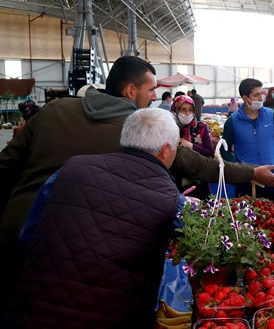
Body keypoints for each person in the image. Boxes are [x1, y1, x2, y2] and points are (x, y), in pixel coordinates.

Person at [0, 56, 274, 298]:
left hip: (16, 236)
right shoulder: (137, 130)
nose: (154, 96)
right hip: (81, 255)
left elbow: (7, 165)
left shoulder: (53, 109)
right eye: (150, 90)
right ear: (129, 91)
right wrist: (251, 172)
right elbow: (199, 165)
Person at [5, 108, 183, 328]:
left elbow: (27, 235)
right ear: (166, 150)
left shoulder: (71, 167)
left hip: (28, 313)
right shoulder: (171, 198)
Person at [221, 78, 274, 204]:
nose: (260, 98)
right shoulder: (233, 121)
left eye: (261, 94)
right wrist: (238, 167)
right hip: (246, 180)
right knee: (246, 219)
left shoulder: (272, 116)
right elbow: (224, 149)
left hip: (272, 177)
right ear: (245, 98)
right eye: (256, 95)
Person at [171, 95, 214, 199]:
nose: (187, 114)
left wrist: (191, 146)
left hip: (199, 181)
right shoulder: (169, 129)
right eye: (183, 110)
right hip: (176, 184)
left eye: (190, 110)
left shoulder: (201, 128)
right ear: (175, 110)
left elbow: (210, 153)